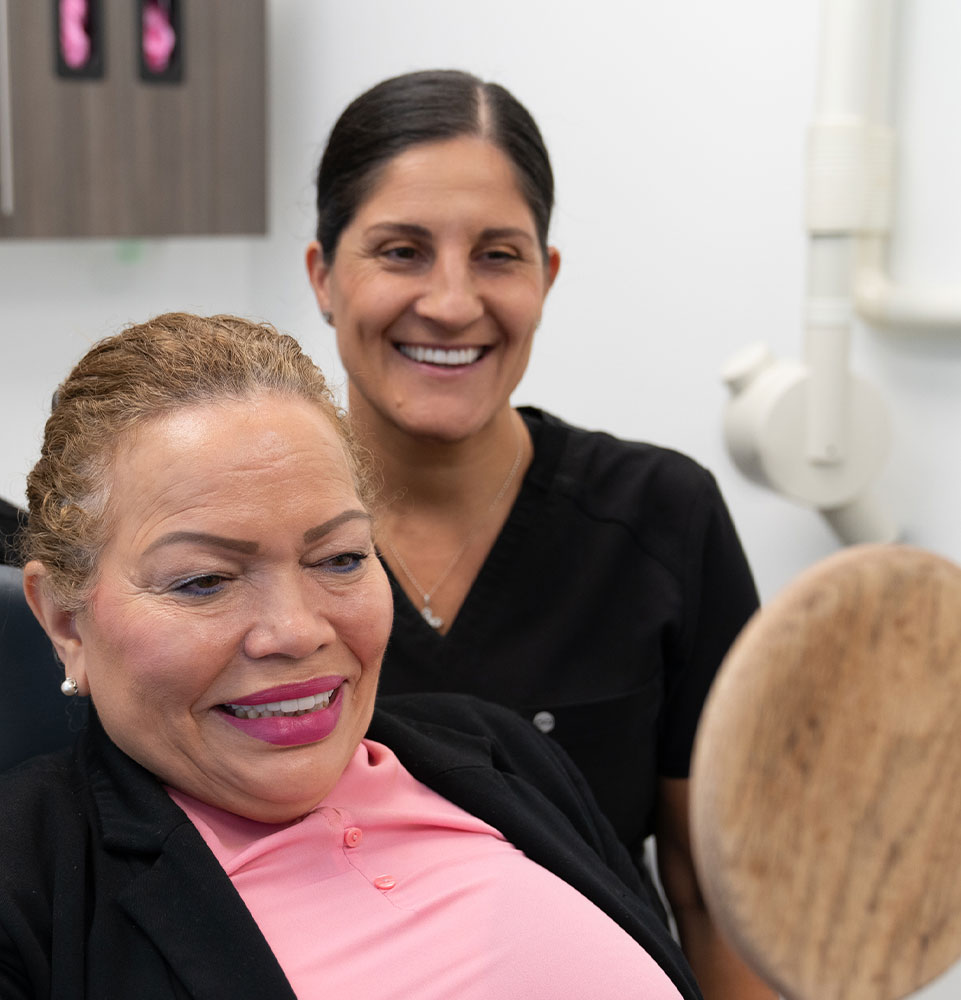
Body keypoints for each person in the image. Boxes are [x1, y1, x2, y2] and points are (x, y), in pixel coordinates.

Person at [1, 313, 704, 999]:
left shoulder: (502, 754)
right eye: (204, 580)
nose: (297, 630)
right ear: (66, 620)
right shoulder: (28, 886)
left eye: (338, 558)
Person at [305, 70, 773, 999]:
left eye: (496, 255)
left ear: (545, 278)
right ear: (323, 275)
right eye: (400, 251)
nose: (449, 301)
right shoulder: (255, 541)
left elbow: (717, 897)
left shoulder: (660, 517)